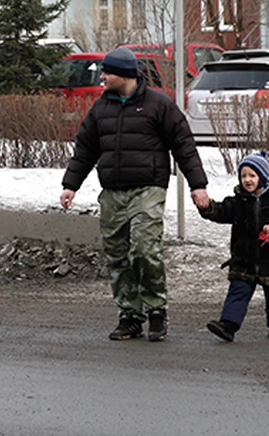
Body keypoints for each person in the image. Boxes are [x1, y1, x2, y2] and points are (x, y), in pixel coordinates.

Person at [59, 47, 210, 342]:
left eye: (107, 72)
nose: (102, 76)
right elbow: (85, 150)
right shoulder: (100, 108)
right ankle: (129, 315)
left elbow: (183, 146)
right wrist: (70, 185)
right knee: (117, 255)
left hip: (148, 189)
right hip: (112, 191)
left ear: (125, 75)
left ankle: (156, 309)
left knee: (143, 248)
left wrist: (197, 184)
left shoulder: (159, 105)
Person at [197, 152, 269, 342]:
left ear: (262, 176)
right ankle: (228, 325)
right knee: (238, 292)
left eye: (252, 175)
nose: (247, 180)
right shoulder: (239, 202)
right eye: (243, 176)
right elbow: (221, 211)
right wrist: (206, 207)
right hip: (244, 258)